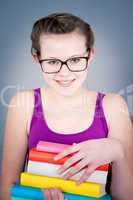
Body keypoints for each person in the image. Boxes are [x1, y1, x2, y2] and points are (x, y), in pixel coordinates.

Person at [0, 12, 133, 200]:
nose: (64, 72)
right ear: (36, 58)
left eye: (75, 60)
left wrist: (117, 152)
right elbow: (7, 191)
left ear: (90, 55)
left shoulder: (113, 106)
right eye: (53, 62)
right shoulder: (23, 104)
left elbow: (126, 197)